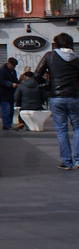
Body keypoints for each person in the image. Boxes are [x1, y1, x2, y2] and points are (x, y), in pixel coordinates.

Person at [34, 32, 79, 170]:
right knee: (77, 128)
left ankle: (66, 162)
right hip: (74, 97)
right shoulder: (77, 59)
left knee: (62, 130)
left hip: (57, 97)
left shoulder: (50, 56)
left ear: (56, 44)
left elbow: (36, 75)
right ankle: (78, 160)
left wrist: (47, 84)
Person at [0, 58, 19, 130]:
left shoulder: (13, 71)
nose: (14, 67)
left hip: (11, 94)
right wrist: (10, 84)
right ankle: (6, 124)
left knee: (11, 111)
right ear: (8, 63)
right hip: (4, 93)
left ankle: (9, 124)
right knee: (5, 110)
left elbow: (15, 79)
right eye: (13, 65)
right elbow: (0, 81)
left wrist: (18, 83)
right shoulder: (2, 71)